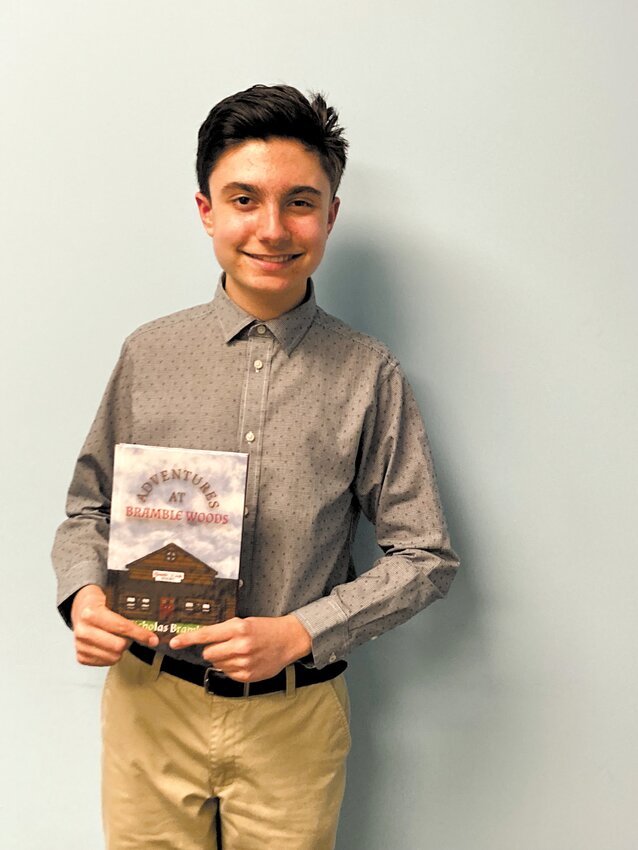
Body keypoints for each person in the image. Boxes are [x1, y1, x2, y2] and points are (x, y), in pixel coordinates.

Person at [52, 83, 460, 850]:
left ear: (330, 216)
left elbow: (426, 555)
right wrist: (82, 593)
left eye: (300, 202)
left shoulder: (369, 374)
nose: (272, 229)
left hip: (293, 722)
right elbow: (87, 510)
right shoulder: (150, 353)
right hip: (149, 704)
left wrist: (301, 632)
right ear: (206, 208)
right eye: (245, 199)